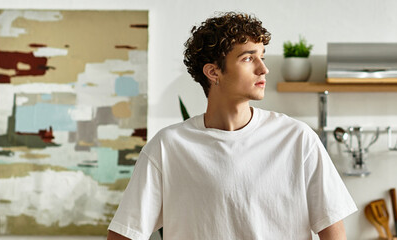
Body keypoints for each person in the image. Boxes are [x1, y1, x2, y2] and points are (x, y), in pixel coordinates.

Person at [106, 12, 357, 240]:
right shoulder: (169, 146)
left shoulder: (297, 138)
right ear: (213, 72)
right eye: (248, 58)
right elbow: (124, 234)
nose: (263, 69)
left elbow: (333, 233)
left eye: (262, 56)